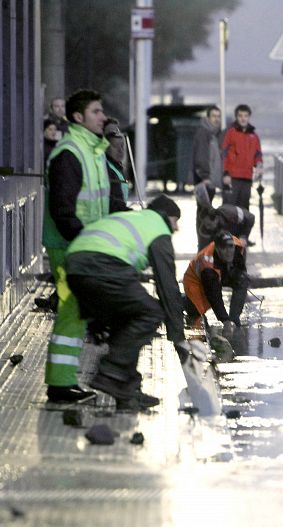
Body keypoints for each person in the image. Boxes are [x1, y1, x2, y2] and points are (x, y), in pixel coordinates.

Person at [65, 195, 190, 412]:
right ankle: (111, 372)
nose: (177, 227)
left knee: (128, 321)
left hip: (76, 266)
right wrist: (178, 336)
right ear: (165, 216)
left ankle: (127, 391)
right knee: (150, 313)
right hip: (102, 264)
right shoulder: (158, 229)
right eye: (175, 220)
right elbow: (167, 286)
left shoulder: (133, 220)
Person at [42, 88, 129, 403]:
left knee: (75, 312)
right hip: (69, 247)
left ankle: (63, 382)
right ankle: (60, 385)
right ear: (78, 117)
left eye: (101, 111)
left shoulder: (91, 151)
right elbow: (63, 210)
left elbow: (103, 204)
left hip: (81, 246)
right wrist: (84, 244)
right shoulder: (70, 153)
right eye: (96, 111)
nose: (102, 117)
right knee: (72, 312)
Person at [183, 230, 249, 337]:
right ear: (217, 248)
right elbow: (215, 296)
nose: (228, 251)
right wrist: (225, 321)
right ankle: (182, 301)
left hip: (221, 270)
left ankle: (235, 318)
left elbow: (241, 269)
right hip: (195, 281)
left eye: (230, 246)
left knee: (243, 279)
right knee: (196, 313)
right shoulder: (207, 263)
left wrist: (232, 320)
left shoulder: (237, 246)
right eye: (224, 248)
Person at [221, 104, 263, 210]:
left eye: (245, 116)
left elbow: (258, 154)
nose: (243, 118)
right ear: (236, 117)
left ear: (249, 117)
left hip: (247, 178)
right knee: (229, 209)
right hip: (232, 178)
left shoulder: (254, 136)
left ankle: (242, 227)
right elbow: (224, 154)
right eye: (240, 116)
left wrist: (259, 165)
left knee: (244, 209)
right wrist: (225, 173)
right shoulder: (230, 133)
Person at [195, 179, 255, 251]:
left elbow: (251, 217)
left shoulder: (230, 213)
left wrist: (244, 236)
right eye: (206, 225)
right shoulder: (209, 228)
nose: (207, 227)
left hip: (239, 230)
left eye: (208, 224)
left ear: (215, 219)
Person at [103, 118, 132, 205]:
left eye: (122, 146)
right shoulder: (105, 167)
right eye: (115, 146)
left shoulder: (118, 167)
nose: (120, 150)